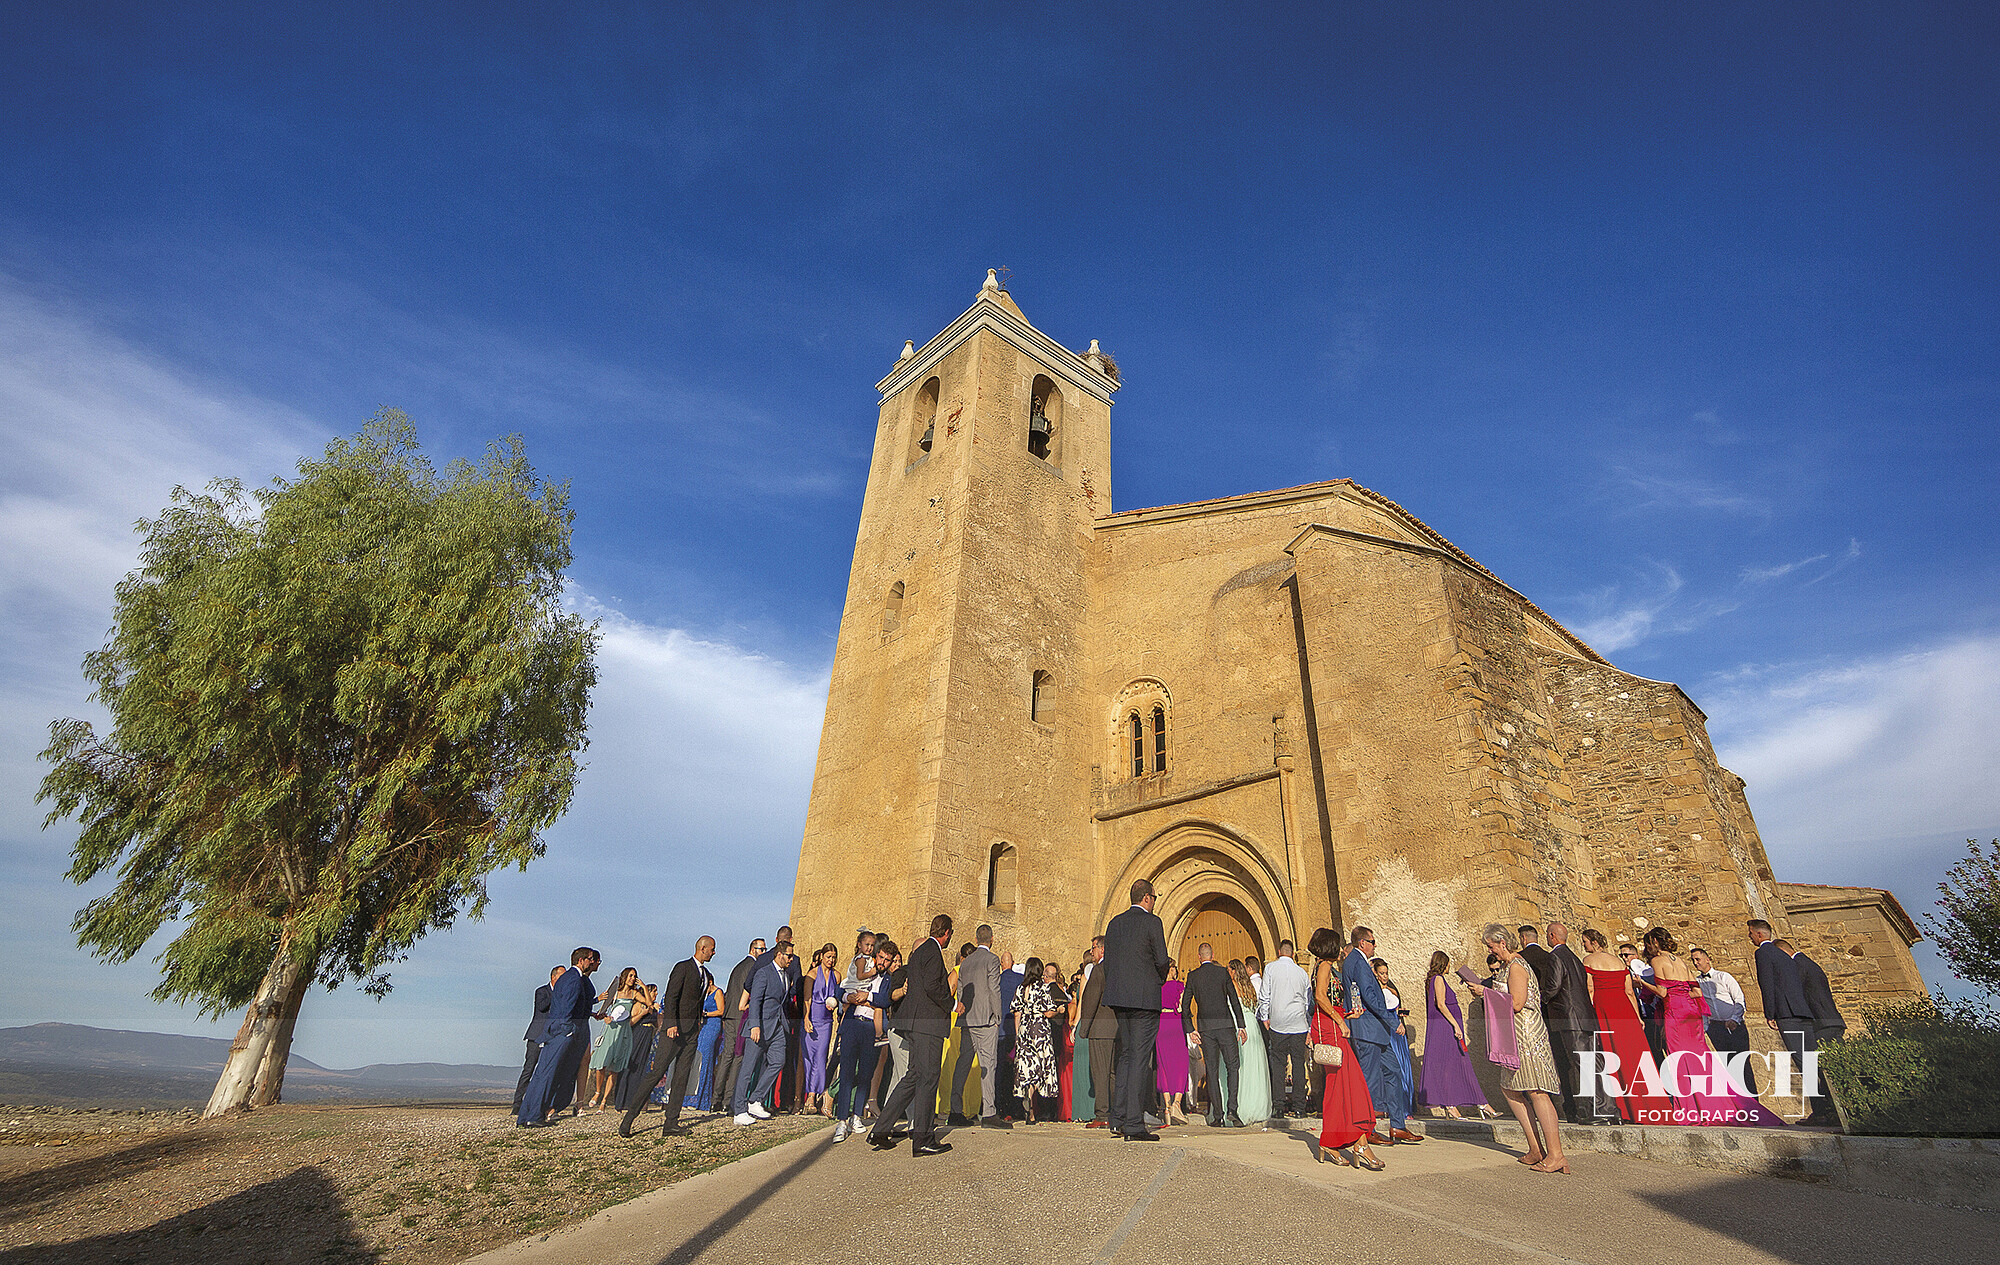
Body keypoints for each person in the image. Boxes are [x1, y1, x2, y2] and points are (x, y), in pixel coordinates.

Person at [1640, 927, 1782, 1126]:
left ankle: (1693, 1108)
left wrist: (1642, 984)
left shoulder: (1657, 961)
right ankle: (1717, 1103)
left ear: (1654, 942)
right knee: (1701, 1057)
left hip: (1675, 1012)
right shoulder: (1680, 961)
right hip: (1692, 1012)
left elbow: (1662, 993)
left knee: (1680, 1059)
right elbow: (1697, 993)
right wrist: (1681, 996)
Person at [1482, 924, 1567, 1173]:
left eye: (1491, 946)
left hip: (1527, 1035)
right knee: (1510, 1088)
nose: (1491, 951)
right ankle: (1535, 1148)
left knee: (1537, 1091)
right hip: (1515, 1035)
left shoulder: (1517, 966)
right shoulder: (1509, 966)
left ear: (1502, 943)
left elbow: (1517, 1003)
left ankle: (1556, 1154)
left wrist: (1485, 992)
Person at [869, 914, 955, 1156]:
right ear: (946, 932)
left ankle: (881, 1128)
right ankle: (923, 1138)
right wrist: (952, 1003)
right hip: (928, 1026)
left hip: (916, 1025)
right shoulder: (933, 951)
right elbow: (932, 986)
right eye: (950, 934)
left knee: (913, 1076)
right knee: (928, 1079)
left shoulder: (919, 952)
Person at [618, 936, 717, 1137]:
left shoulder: (706, 975)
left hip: (691, 1033)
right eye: (712, 949)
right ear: (703, 948)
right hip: (674, 1030)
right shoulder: (682, 967)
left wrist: (698, 1022)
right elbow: (671, 996)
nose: (714, 953)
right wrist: (670, 1023)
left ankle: (671, 1122)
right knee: (656, 1073)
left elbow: (697, 1001)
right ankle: (628, 1120)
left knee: (682, 1077)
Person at [1307, 927, 1382, 1168]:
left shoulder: (1321, 966)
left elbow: (1326, 999)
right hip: (1331, 1030)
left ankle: (1333, 1141)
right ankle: (1358, 1143)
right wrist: (1339, 1020)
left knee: (1340, 1087)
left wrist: (1346, 1015)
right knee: (1351, 1085)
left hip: (1333, 1025)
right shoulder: (1325, 966)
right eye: (1337, 945)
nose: (1340, 949)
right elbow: (1319, 997)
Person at [1577, 928, 1668, 1124]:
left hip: (1605, 1010)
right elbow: (1629, 993)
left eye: (1585, 941)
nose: (1583, 945)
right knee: (1635, 1056)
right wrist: (1638, 1018)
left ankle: (1626, 1108)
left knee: (1613, 1055)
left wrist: (1591, 1015)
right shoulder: (1618, 962)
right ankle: (1651, 1106)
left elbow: (1590, 990)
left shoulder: (1588, 961)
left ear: (1593, 942)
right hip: (1625, 1011)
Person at [1751, 919, 1836, 1125]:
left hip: (1787, 1015)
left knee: (1803, 1063)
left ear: (1760, 935)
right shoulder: (1786, 956)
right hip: (1803, 1014)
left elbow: (1767, 985)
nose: (1750, 937)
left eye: (1751, 934)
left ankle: (1822, 1112)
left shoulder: (1763, 953)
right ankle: (1831, 1109)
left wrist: (1770, 1013)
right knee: (1814, 1061)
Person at [1104, 879, 1171, 1141]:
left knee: (1127, 1056)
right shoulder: (1152, 922)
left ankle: (1119, 1118)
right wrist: (1159, 978)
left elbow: (1108, 963)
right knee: (1140, 1058)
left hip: (1120, 999)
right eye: (1154, 897)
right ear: (1147, 898)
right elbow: (1162, 959)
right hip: (1144, 999)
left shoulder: (1114, 923)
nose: (1154, 902)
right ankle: (1133, 1123)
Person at [1342, 927, 1420, 1144]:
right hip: (1368, 1030)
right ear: (1362, 943)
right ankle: (1367, 1130)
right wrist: (1392, 1020)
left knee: (1394, 1072)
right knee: (1370, 1081)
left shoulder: (1357, 961)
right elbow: (1368, 996)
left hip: (1376, 1032)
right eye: (1373, 941)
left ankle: (1398, 1126)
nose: (1375, 945)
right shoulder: (1356, 962)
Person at [517, 947, 600, 1127]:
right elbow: (565, 1008)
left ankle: (527, 1116)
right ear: (581, 960)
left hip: (559, 1031)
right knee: (546, 1074)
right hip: (561, 1033)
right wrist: (567, 1029)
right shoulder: (573, 979)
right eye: (590, 959)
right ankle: (532, 1116)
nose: (593, 962)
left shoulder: (572, 979)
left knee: (545, 1074)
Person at [1546, 921, 1613, 1124]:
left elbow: (1554, 986)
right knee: (1596, 1063)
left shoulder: (1556, 956)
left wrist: (1539, 997)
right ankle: (1608, 1109)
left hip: (1570, 1018)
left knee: (1583, 1064)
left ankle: (1596, 1111)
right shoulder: (1575, 958)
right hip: (1586, 1016)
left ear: (1552, 936)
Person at [833, 939, 896, 1142]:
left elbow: (885, 1000)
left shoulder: (888, 981)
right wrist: (848, 998)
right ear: (875, 956)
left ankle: (857, 1116)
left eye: (887, 960)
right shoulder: (859, 971)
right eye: (881, 957)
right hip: (852, 1024)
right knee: (847, 1072)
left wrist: (867, 996)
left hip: (870, 1028)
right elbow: (839, 991)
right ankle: (842, 1121)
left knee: (866, 1075)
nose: (883, 962)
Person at [1419, 951, 1492, 1119]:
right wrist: (1455, 1025)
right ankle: (1460, 1104)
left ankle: (1461, 1104)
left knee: (1453, 1064)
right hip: (1445, 1028)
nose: (1450, 966)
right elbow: (1441, 1005)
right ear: (1443, 963)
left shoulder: (1436, 979)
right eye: (1448, 963)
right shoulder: (1438, 979)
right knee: (1454, 1062)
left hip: (1446, 1027)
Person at [1181, 943, 1246, 1127]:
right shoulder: (1223, 973)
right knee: (1233, 1067)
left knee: (1212, 1071)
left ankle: (1218, 1116)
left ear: (1199, 957)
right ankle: (1233, 1110)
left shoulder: (1193, 976)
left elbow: (1185, 1005)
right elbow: (1233, 999)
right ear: (1213, 955)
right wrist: (1241, 1025)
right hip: (1226, 1026)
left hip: (1206, 1029)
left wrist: (1190, 1029)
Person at [732, 942, 795, 1125]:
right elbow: (756, 1000)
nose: (792, 959)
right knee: (748, 1068)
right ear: (779, 954)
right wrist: (754, 1026)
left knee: (778, 1061)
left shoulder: (786, 975)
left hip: (777, 1027)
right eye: (789, 956)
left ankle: (755, 1100)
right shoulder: (763, 973)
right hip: (759, 1027)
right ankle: (739, 1110)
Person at [949, 925, 1005, 1128]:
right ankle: (989, 1112)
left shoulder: (966, 962)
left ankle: (955, 1109)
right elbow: (993, 989)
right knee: (988, 1065)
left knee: (962, 1063)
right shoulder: (992, 960)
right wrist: (997, 1014)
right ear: (992, 939)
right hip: (985, 1019)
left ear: (976, 938)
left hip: (967, 1019)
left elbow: (962, 991)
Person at [1690, 947, 1756, 1094]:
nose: (1695, 963)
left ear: (1707, 959)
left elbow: (1739, 999)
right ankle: (1739, 1103)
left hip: (1734, 1026)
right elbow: (1701, 1006)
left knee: (1742, 1063)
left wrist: (1734, 1019)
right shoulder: (1697, 983)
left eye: (1698, 959)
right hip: (1716, 1028)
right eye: (1693, 960)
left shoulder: (1723, 977)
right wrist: (1707, 1027)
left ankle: (1753, 1103)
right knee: (1728, 1065)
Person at [1258, 940, 1312, 1118]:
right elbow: (1306, 1000)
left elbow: (1265, 995)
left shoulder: (1271, 969)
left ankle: (1279, 1106)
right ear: (1292, 954)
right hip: (1298, 1023)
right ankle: (1299, 1107)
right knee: (1298, 1064)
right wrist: (1306, 1022)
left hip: (1278, 1023)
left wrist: (1265, 1017)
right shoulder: (1302, 973)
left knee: (1279, 1065)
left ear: (1279, 951)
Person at [712, 937, 764, 1119]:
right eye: (762, 949)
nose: (764, 952)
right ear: (753, 949)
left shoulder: (738, 966)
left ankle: (716, 1100)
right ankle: (728, 1101)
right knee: (737, 1057)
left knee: (727, 1056)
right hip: (740, 1015)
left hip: (730, 1013)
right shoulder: (752, 967)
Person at [587, 968, 651, 1112]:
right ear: (624, 976)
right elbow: (602, 1011)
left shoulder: (635, 993)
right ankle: (597, 1092)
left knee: (615, 1069)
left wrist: (644, 988)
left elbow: (649, 1004)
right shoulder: (615, 992)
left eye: (634, 976)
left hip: (624, 1032)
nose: (632, 978)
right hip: (611, 1030)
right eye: (630, 975)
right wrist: (605, 1018)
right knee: (601, 1064)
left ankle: (604, 1101)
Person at [1013, 957, 1063, 1124]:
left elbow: (1016, 1013)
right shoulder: (1042, 988)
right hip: (1039, 1029)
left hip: (1024, 1029)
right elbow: (1048, 1013)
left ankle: (1031, 1112)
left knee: (1027, 1068)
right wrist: (1059, 1010)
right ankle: (1031, 1095)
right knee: (1040, 1068)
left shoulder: (1021, 988)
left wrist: (1018, 1035)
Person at [1075, 937, 1116, 1129]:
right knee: (1113, 1073)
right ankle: (1115, 1111)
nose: (1092, 953)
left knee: (1100, 1072)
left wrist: (1084, 1028)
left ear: (1102, 949)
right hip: (1117, 1029)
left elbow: (1090, 1000)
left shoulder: (1099, 970)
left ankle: (1102, 1114)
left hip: (1100, 1028)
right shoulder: (1119, 970)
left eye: (1093, 948)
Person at [1372, 958, 1418, 1128]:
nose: (1385, 976)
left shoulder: (1391, 989)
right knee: (1389, 1068)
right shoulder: (1374, 991)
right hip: (1388, 1029)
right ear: (1376, 973)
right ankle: (1385, 1108)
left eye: (1386, 973)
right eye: (1381, 973)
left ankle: (1405, 1107)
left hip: (1398, 1028)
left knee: (1402, 1067)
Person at [512, 966, 563, 1115]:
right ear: (553, 977)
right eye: (562, 977)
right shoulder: (542, 991)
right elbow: (542, 1007)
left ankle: (542, 1104)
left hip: (553, 1037)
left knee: (549, 1071)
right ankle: (517, 1104)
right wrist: (557, 994)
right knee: (529, 1069)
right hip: (537, 1036)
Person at [1229, 961, 1272, 1125]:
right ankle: (1257, 1106)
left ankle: (1241, 1108)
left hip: (1240, 1026)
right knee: (1254, 1067)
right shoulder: (1250, 987)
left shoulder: (1233, 985)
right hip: (1253, 1027)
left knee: (1241, 1067)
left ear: (1233, 971)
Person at [1782, 939, 1848, 1042]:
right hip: (1829, 1020)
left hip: (1822, 1022)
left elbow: (1796, 991)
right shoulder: (1806, 962)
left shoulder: (1798, 964)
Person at [802, 944, 839, 1117]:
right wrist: (806, 1017)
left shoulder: (836, 976)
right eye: (828, 957)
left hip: (826, 1021)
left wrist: (835, 1003)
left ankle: (814, 1095)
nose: (831, 960)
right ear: (822, 956)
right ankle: (810, 1096)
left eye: (833, 957)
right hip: (813, 1019)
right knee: (810, 1057)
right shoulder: (811, 975)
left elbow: (838, 996)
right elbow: (806, 999)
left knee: (821, 1056)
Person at [1155, 959, 1192, 1126]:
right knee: (1181, 1063)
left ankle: (1167, 1108)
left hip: (1161, 1024)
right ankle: (1177, 1103)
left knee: (1163, 1065)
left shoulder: (1157, 987)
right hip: (1175, 1023)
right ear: (1172, 970)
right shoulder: (1179, 986)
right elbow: (1182, 1008)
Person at [686, 969, 725, 1111]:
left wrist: (707, 1013)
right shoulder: (704, 994)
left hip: (713, 1025)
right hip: (703, 1026)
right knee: (697, 1059)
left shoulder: (718, 992)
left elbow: (721, 1010)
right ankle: (692, 1098)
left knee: (706, 1059)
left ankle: (702, 1100)